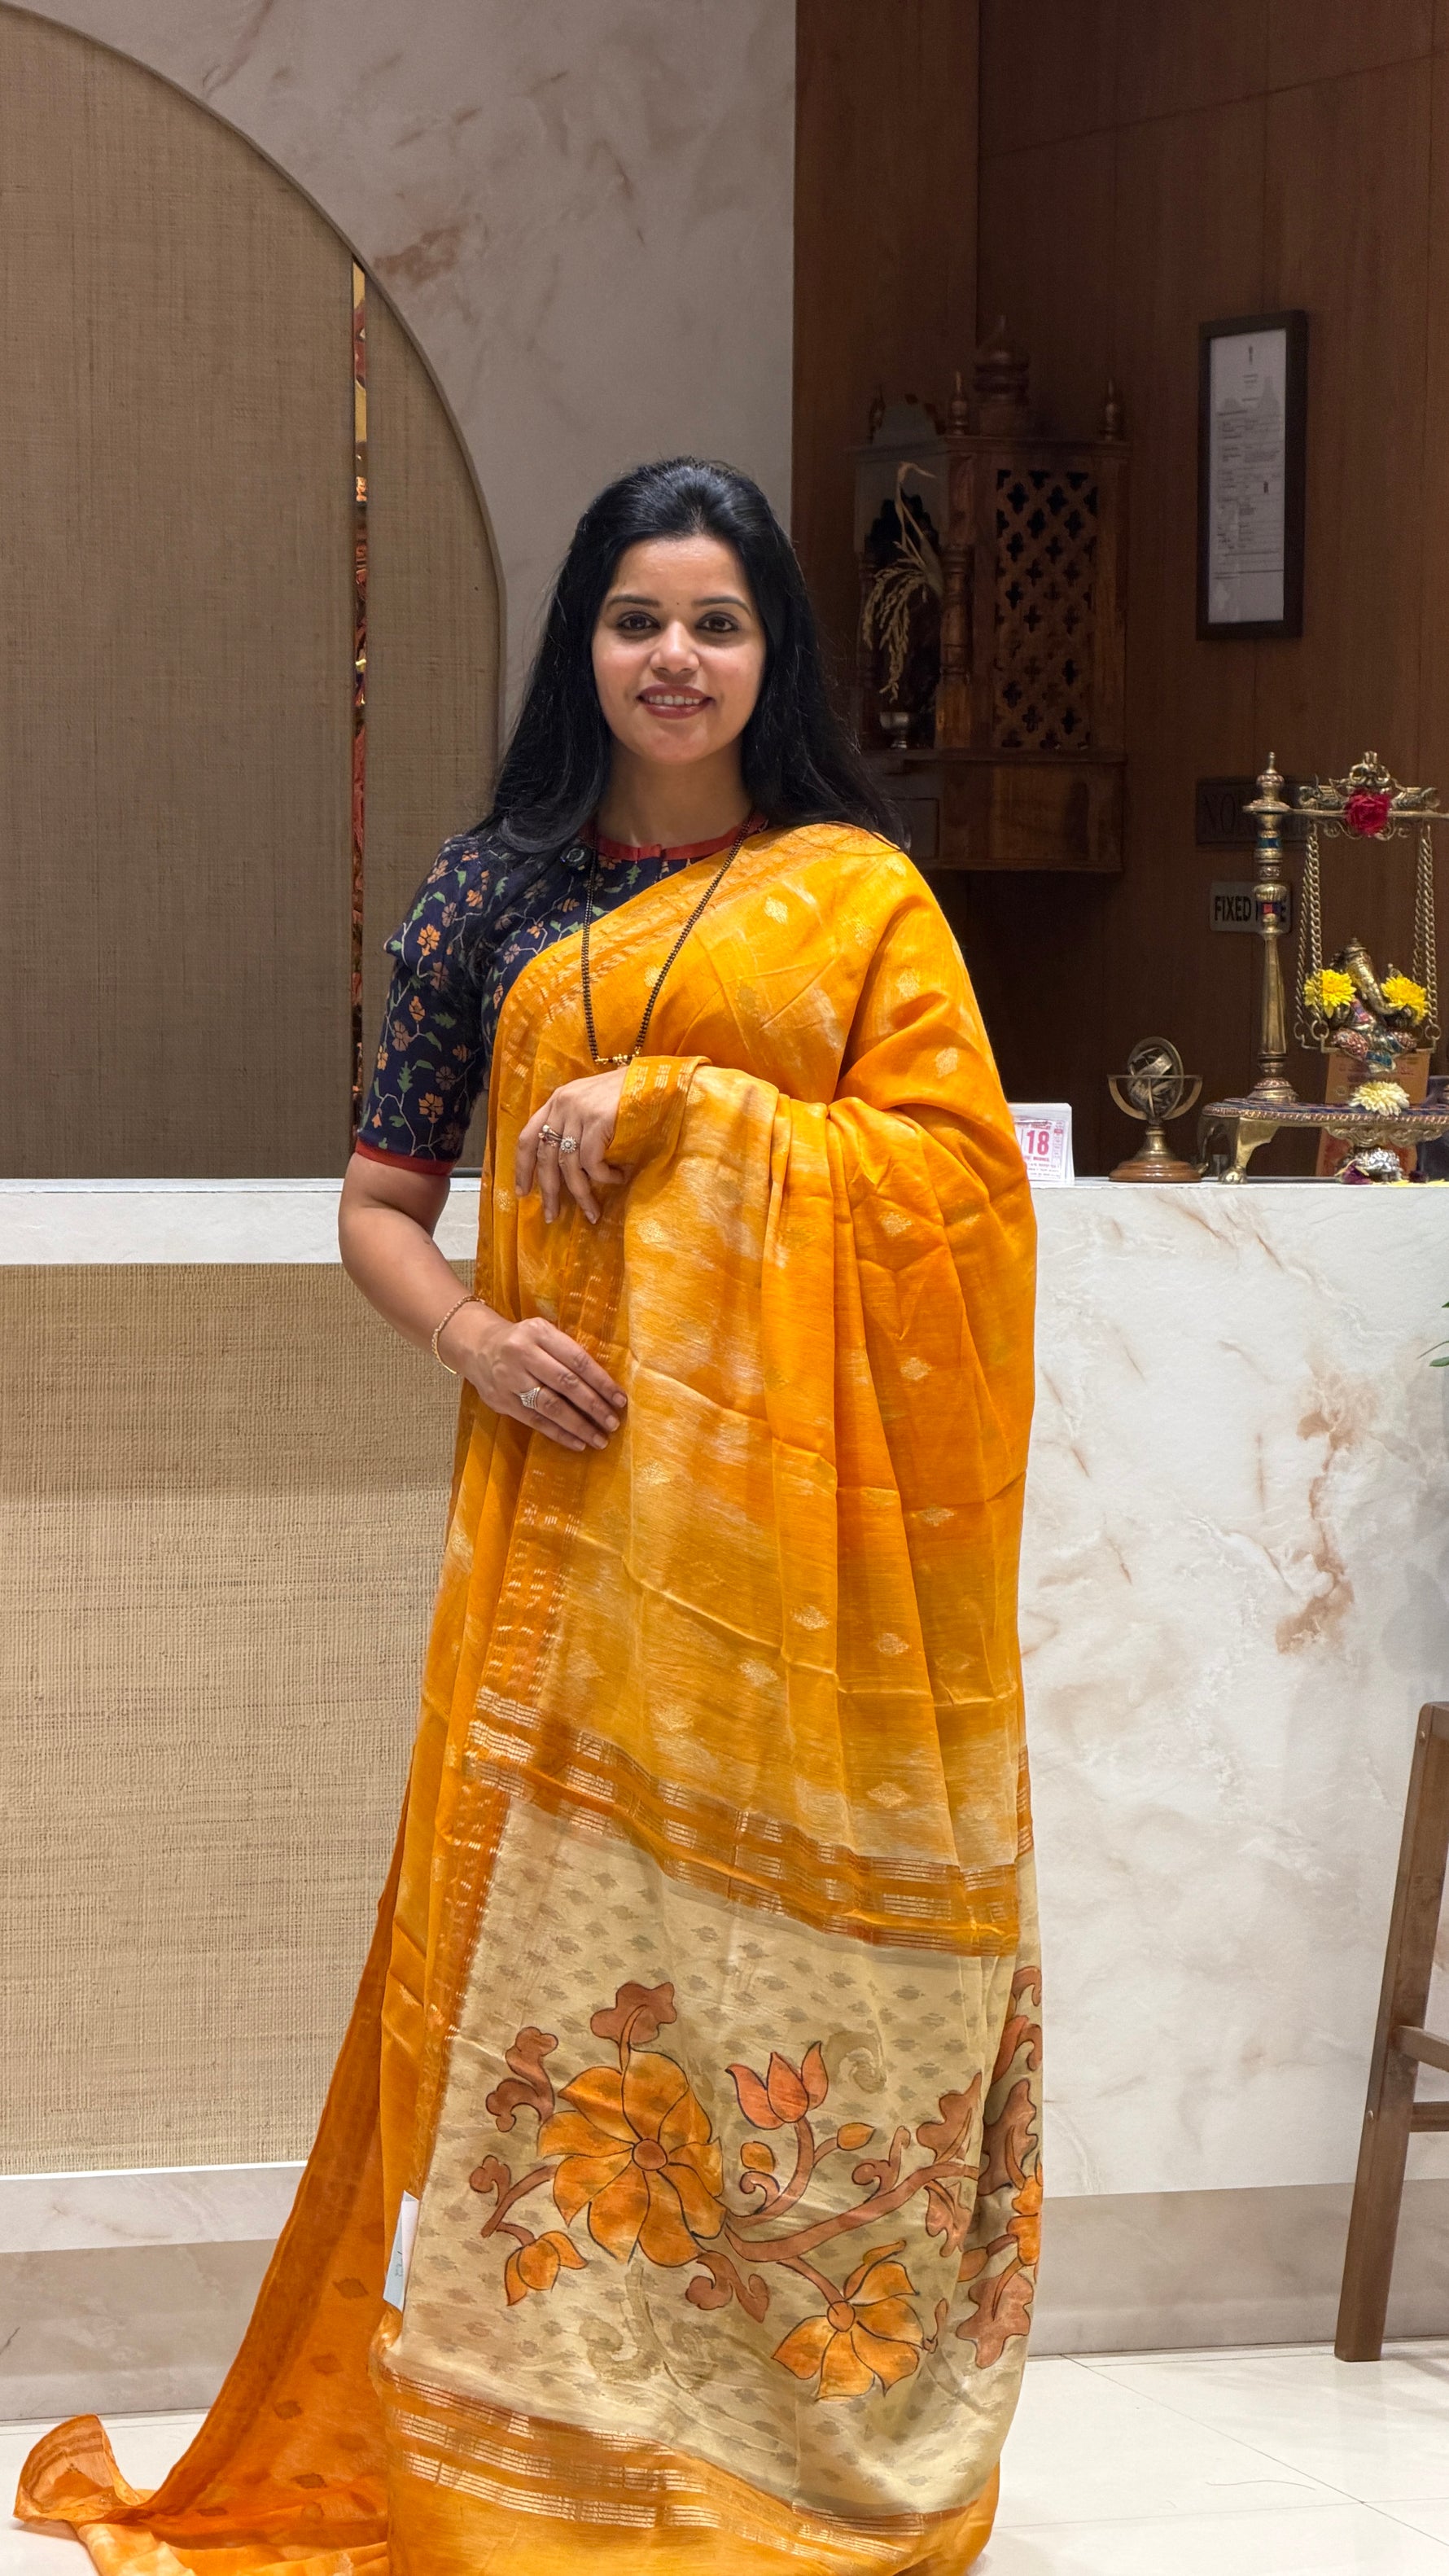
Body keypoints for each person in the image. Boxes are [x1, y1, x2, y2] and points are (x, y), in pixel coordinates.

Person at [20, 459, 1040, 2575]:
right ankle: (533, 2462)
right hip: (567, 1540)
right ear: (583, 642)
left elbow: (959, 1196)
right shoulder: (488, 896)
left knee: (770, 2000)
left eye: (717, 622)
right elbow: (379, 1206)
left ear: (774, 655)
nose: (675, 657)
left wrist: (690, 1106)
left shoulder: (859, 897)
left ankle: (782, 2441)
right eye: (637, 618)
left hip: (802, 1592)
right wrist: (478, 1337)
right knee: (549, 1988)